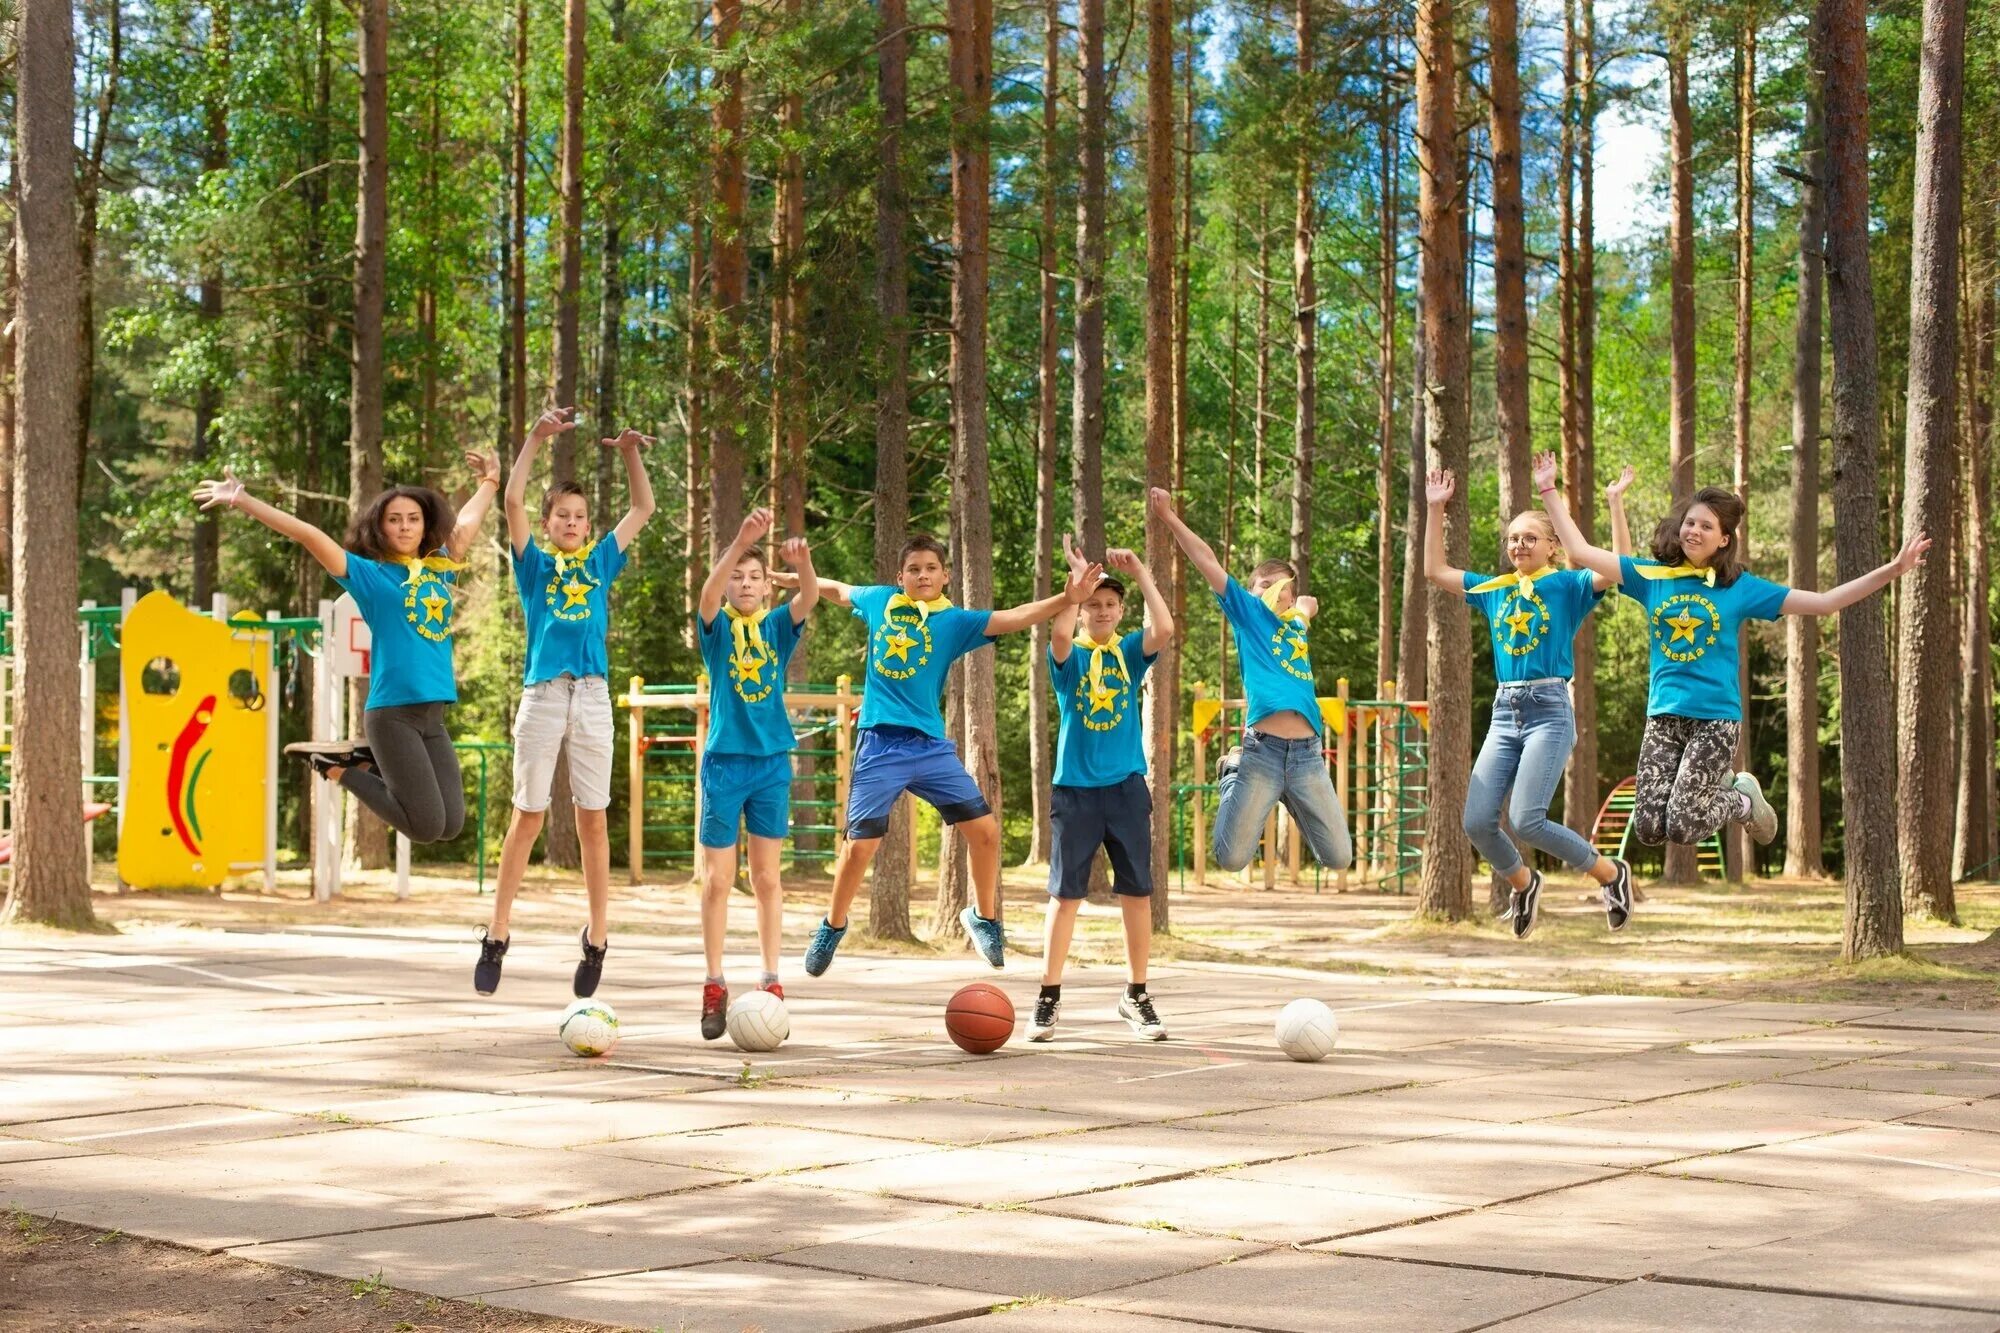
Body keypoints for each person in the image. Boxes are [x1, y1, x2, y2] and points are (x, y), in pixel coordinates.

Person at [1536, 450, 1929, 875]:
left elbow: (1825, 602)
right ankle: (1728, 793)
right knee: (1649, 827)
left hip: (1715, 721)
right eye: (1690, 522)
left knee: (1684, 825)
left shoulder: (1739, 588)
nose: (1694, 530)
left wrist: (1894, 568)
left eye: (1706, 526)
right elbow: (1578, 548)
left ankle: (1741, 799)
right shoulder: (1650, 576)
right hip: (1664, 716)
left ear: (1723, 538)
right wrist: (1547, 489)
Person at [799, 535, 1102, 976]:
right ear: (899, 577)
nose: (922, 575)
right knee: (859, 846)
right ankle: (832, 924)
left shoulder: (955, 621)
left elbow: (1015, 617)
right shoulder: (880, 601)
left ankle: (983, 917)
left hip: (929, 747)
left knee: (985, 832)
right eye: (914, 569)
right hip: (880, 744)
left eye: (931, 568)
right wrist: (791, 576)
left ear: (945, 576)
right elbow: (834, 590)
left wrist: (1067, 598)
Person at [194, 452, 499, 848]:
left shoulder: (439, 566)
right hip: (394, 714)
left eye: (413, 519)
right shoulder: (369, 576)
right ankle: (336, 768)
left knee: (450, 825)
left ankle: (361, 759)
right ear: (381, 528)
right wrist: (244, 500)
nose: (405, 526)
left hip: (433, 715)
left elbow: (469, 522)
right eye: (394, 520)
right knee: (424, 827)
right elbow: (308, 534)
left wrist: (490, 481)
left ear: (426, 526)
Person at [474, 407, 656, 998]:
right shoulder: (535, 566)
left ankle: (597, 936)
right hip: (544, 694)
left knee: (592, 820)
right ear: (550, 523)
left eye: (580, 516)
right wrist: (533, 437)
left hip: (594, 696)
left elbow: (643, 509)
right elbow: (513, 502)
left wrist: (629, 453)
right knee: (527, 816)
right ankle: (498, 932)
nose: (572, 523)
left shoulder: (603, 558)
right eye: (563, 516)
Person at [1424, 465, 1636, 937]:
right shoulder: (1495, 591)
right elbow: (1434, 570)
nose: (1519, 545)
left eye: (1530, 538)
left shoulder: (1569, 585)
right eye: (1513, 538)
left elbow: (1620, 561)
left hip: (1549, 713)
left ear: (1552, 547)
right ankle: (1523, 882)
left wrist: (1613, 502)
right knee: (1477, 822)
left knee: (1526, 818)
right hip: (1504, 713)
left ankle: (1610, 874)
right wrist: (1436, 508)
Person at [1151, 487, 1352, 875]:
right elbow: (1206, 559)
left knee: (1339, 857)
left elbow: (1299, 613)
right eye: (1265, 585)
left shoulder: (1295, 626)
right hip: (1262, 753)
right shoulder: (1249, 616)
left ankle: (1289, 795)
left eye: (1283, 589)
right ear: (1250, 593)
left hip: (1308, 754)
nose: (1274, 592)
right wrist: (1170, 517)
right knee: (1232, 859)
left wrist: (1305, 611)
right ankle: (1231, 772)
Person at [1028, 541, 1175, 1042]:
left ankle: (1136, 994)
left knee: (1137, 892)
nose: (1103, 610)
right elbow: (1061, 634)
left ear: (1120, 610)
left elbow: (1166, 628)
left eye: (1110, 604)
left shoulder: (1129, 654)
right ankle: (1047, 998)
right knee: (1065, 895)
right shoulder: (1070, 660)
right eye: (1096, 604)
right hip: (1075, 792)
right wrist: (1074, 591)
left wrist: (1142, 573)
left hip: (1126, 789)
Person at [691, 506, 819, 1038]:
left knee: (767, 878)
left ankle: (771, 980)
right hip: (724, 764)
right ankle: (714, 983)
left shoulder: (774, 628)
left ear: (767, 588)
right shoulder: (717, 629)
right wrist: (740, 538)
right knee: (718, 881)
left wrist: (804, 563)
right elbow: (705, 596)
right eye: (736, 578)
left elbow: (808, 598)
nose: (744, 584)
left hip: (770, 765)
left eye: (754, 578)